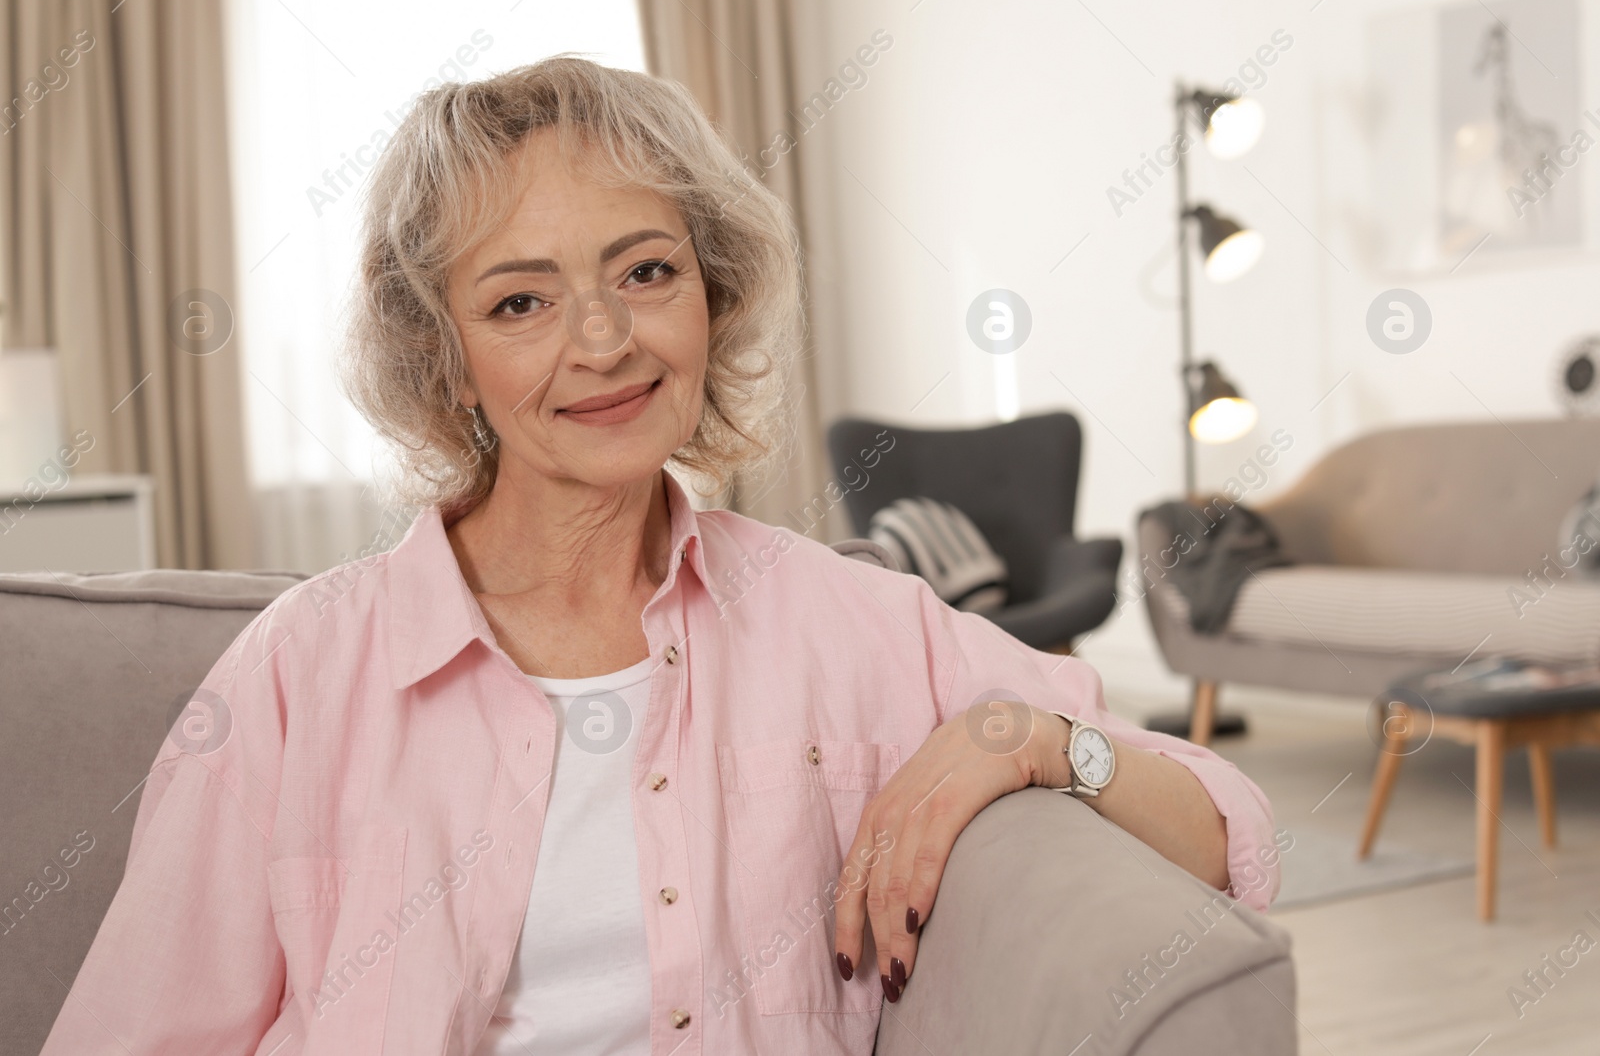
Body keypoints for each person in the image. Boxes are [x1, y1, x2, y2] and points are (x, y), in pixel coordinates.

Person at [43, 56, 1278, 1056]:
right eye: (520, 301)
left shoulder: (843, 617)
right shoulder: (299, 672)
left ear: (714, 295)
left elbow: (1221, 834)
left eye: (645, 271)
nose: (602, 340)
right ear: (442, 356)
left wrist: (1033, 738)